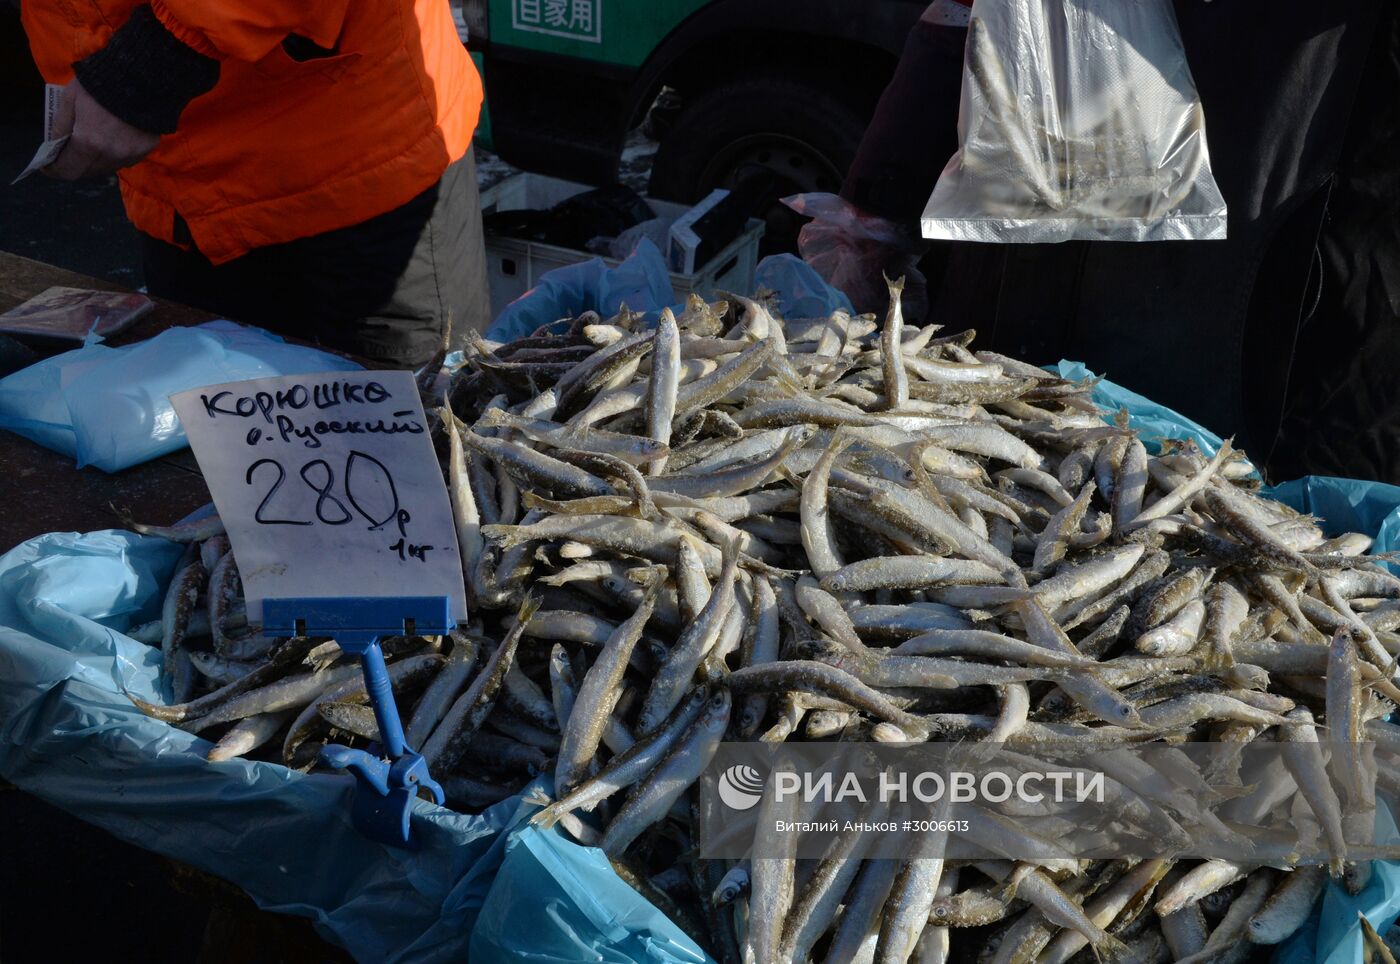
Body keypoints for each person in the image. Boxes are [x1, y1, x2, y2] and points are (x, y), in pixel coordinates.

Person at [804, 0, 1399, 482]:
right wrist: (875, 212)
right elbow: (960, 15)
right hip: (1012, 318)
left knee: (1204, 538)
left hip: (1256, 335)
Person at [21, 1, 491, 368]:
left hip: (356, 162)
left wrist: (155, 63)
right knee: (212, 457)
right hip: (183, 190)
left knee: (419, 452)